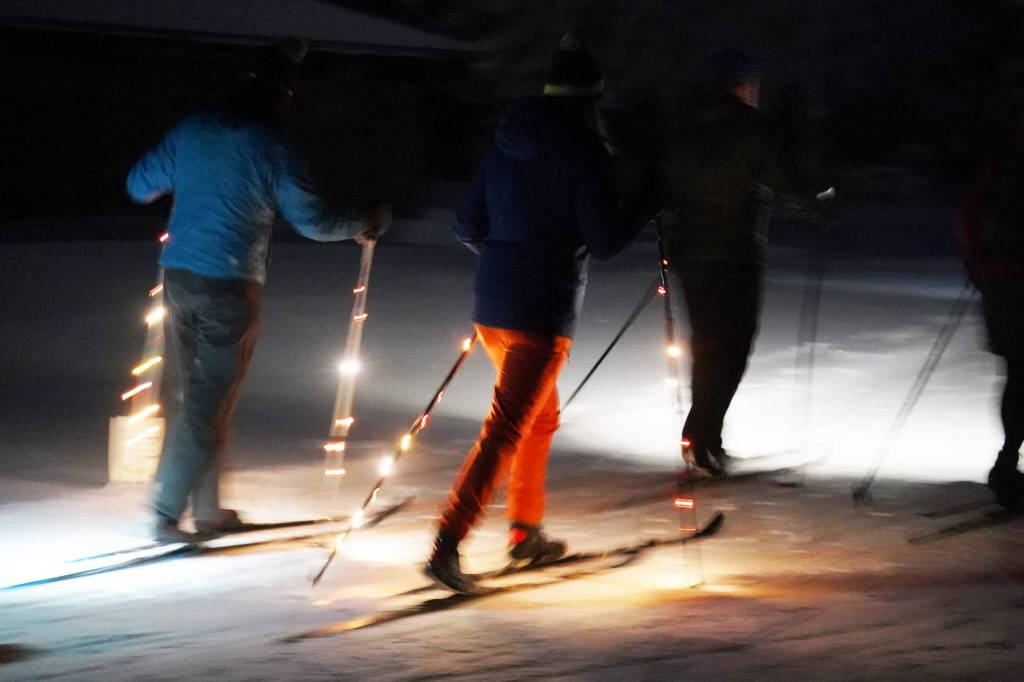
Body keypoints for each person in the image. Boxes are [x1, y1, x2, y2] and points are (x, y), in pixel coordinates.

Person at [126, 39, 391, 542]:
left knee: (201, 398)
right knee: (209, 400)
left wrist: (190, 187)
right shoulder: (273, 144)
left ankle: (207, 512)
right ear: (284, 93)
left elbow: (139, 184)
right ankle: (165, 512)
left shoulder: (194, 129)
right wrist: (365, 220)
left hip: (179, 277)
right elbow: (313, 219)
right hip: (230, 286)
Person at [424, 34, 647, 593]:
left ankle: (525, 534)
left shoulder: (505, 141)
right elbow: (606, 240)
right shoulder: (585, 150)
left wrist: (508, 257)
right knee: (505, 428)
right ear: (591, 98)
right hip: (541, 313)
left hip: (492, 308)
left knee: (538, 418)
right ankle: (448, 544)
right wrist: (649, 200)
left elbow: (465, 226)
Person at [661, 49, 819, 476]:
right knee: (732, 349)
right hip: (735, 259)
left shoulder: (688, 131)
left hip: (693, 261)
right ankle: (702, 437)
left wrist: (669, 239)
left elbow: (664, 187)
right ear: (744, 86)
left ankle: (705, 439)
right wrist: (818, 206)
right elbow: (786, 182)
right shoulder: (753, 130)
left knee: (708, 346)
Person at [961, 113, 1024, 509]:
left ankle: (1005, 464)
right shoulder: (1002, 162)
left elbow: (970, 214)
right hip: (1009, 279)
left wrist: (978, 261)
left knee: (1018, 373)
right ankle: (1005, 466)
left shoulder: (1001, 160)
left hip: (1001, 280)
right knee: (1020, 374)